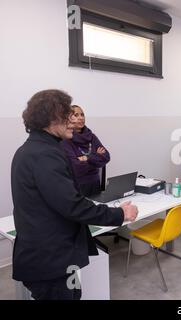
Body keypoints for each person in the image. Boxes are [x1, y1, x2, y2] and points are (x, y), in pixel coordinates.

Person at [10, 89, 138, 300]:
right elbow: (73, 205)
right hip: (50, 261)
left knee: (74, 293)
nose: (73, 120)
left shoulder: (33, 149)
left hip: (52, 257)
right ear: (51, 118)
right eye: (67, 115)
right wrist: (120, 214)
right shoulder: (45, 155)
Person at [62, 105, 110, 197]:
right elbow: (76, 168)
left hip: (95, 184)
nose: (80, 118)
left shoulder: (91, 136)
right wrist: (96, 157)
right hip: (77, 186)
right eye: (76, 115)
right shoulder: (65, 139)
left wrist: (86, 158)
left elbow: (106, 157)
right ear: (67, 119)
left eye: (82, 115)